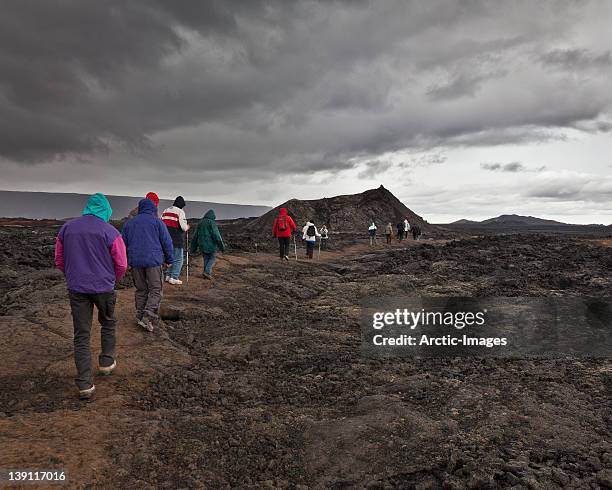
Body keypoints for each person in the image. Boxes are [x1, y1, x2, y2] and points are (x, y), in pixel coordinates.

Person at [54, 193, 128, 400]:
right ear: (106, 210)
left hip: (77, 288)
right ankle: (106, 362)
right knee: (108, 323)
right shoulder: (110, 232)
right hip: (104, 287)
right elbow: (121, 263)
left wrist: (72, 275)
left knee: (82, 334)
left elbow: (59, 258)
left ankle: (85, 384)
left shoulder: (67, 229)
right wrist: (114, 280)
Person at [122, 197, 174, 332]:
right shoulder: (157, 222)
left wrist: (125, 262)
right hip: (153, 261)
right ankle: (148, 315)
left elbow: (122, 245)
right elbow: (167, 242)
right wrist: (169, 259)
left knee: (141, 289)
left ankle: (140, 316)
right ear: (153, 208)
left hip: (136, 262)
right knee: (155, 289)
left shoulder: (129, 224)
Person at [190, 209, 225, 279]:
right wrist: (222, 247)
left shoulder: (200, 222)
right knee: (212, 258)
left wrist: (193, 247)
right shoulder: (212, 223)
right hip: (211, 245)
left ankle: (205, 274)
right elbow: (216, 235)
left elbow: (195, 235)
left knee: (206, 258)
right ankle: (207, 272)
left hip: (202, 245)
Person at [162, 196, 190, 284]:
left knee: (170, 257)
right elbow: (183, 227)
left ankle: (168, 275)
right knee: (178, 258)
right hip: (176, 239)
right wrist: (187, 227)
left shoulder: (166, 210)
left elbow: (161, 223)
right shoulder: (180, 211)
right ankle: (174, 277)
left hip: (166, 239)